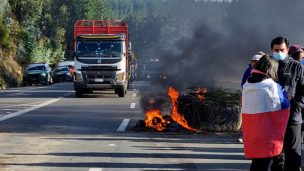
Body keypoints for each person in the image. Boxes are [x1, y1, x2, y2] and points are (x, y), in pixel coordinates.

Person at [242, 54, 290, 171]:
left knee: (258, 161)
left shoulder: (247, 85)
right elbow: (284, 104)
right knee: (273, 160)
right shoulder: (272, 86)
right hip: (268, 131)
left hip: (252, 129)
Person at [270, 37, 304, 171]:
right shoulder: (268, 65)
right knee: (277, 154)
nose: (279, 52)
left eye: (281, 50)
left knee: (293, 155)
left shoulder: (296, 66)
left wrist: (298, 106)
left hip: (293, 117)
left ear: (287, 50)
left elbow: (302, 90)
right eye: (276, 50)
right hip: (273, 116)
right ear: (271, 50)